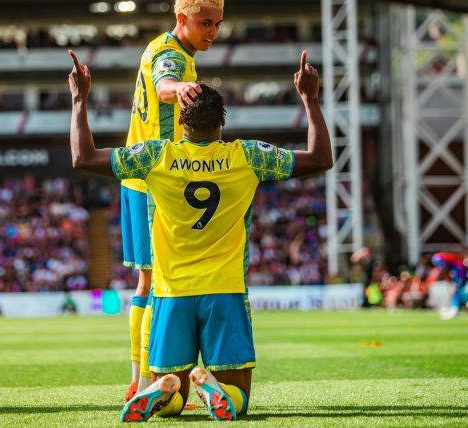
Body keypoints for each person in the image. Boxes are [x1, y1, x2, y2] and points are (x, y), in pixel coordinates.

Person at [67, 48, 332, 421]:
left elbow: (84, 157)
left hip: (172, 292)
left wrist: (80, 99)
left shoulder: (155, 156)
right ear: (221, 121)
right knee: (238, 395)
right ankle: (217, 392)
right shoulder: (248, 156)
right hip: (224, 290)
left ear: (182, 118)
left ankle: (164, 392)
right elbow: (321, 158)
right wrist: (310, 99)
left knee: (171, 407)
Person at [119, 0, 224, 400]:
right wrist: (178, 88)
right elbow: (165, 82)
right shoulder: (172, 56)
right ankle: (144, 382)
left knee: (149, 281)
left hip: (140, 177)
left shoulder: (165, 48)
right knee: (155, 283)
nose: (212, 31)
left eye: (217, 23)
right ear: (181, 20)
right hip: (154, 181)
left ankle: (138, 377)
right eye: (204, 23)